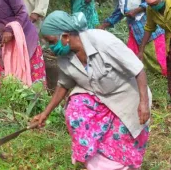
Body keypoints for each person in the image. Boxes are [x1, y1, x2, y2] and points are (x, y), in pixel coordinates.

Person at [32, 11, 152, 170]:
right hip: (99, 97)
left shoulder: (103, 41)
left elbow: (138, 69)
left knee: (122, 140)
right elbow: (63, 85)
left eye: (52, 41)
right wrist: (45, 113)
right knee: (76, 110)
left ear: (66, 36)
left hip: (127, 98)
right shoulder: (64, 58)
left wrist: (143, 103)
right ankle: (96, 164)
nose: (51, 47)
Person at [98, 0, 167, 76]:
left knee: (158, 57)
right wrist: (104, 25)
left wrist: (137, 10)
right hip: (134, 29)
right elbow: (119, 11)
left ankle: (165, 75)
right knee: (132, 57)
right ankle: (138, 74)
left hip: (149, 27)